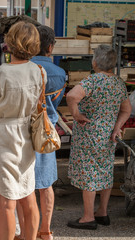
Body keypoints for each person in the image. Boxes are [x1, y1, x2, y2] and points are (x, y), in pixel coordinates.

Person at [0, 21, 47, 240]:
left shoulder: (1, 73)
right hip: (27, 134)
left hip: (5, 135)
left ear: (9, 43)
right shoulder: (39, 71)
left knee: (6, 201)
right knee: (28, 195)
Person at [66, 45, 132, 230]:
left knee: (89, 174)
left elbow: (71, 96)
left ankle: (88, 217)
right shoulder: (118, 82)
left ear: (95, 62)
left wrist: (76, 114)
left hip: (89, 134)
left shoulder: (92, 81)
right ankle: (102, 212)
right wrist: (117, 127)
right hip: (109, 136)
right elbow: (126, 109)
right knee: (104, 171)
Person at [16, 25, 66, 240]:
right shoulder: (60, 74)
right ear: (50, 47)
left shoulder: (21, 69)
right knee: (45, 185)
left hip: (22, 131)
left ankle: (26, 231)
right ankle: (45, 231)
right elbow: (55, 103)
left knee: (22, 185)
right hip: (46, 133)